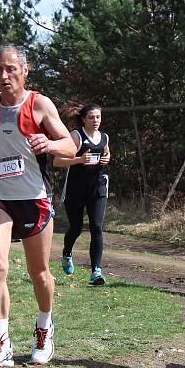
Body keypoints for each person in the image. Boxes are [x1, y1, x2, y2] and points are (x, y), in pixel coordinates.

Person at [0, 44, 76, 367]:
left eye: (10, 69)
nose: (4, 76)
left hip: (34, 197)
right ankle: (1, 344)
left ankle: (44, 328)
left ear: (24, 70)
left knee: (40, 273)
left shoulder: (39, 104)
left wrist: (48, 143)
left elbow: (70, 143)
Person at [53, 104, 111, 285]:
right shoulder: (76, 136)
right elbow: (57, 161)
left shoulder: (104, 137)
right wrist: (78, 159)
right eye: (92, 117)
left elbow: (107, 153)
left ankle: (96, 272)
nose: (96, 121)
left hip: (98, 189)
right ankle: (67, 253)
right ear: (84, 119)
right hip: (76, 190)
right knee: (76, 228)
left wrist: (107, 158)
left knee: (96, 227)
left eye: (98, 117)